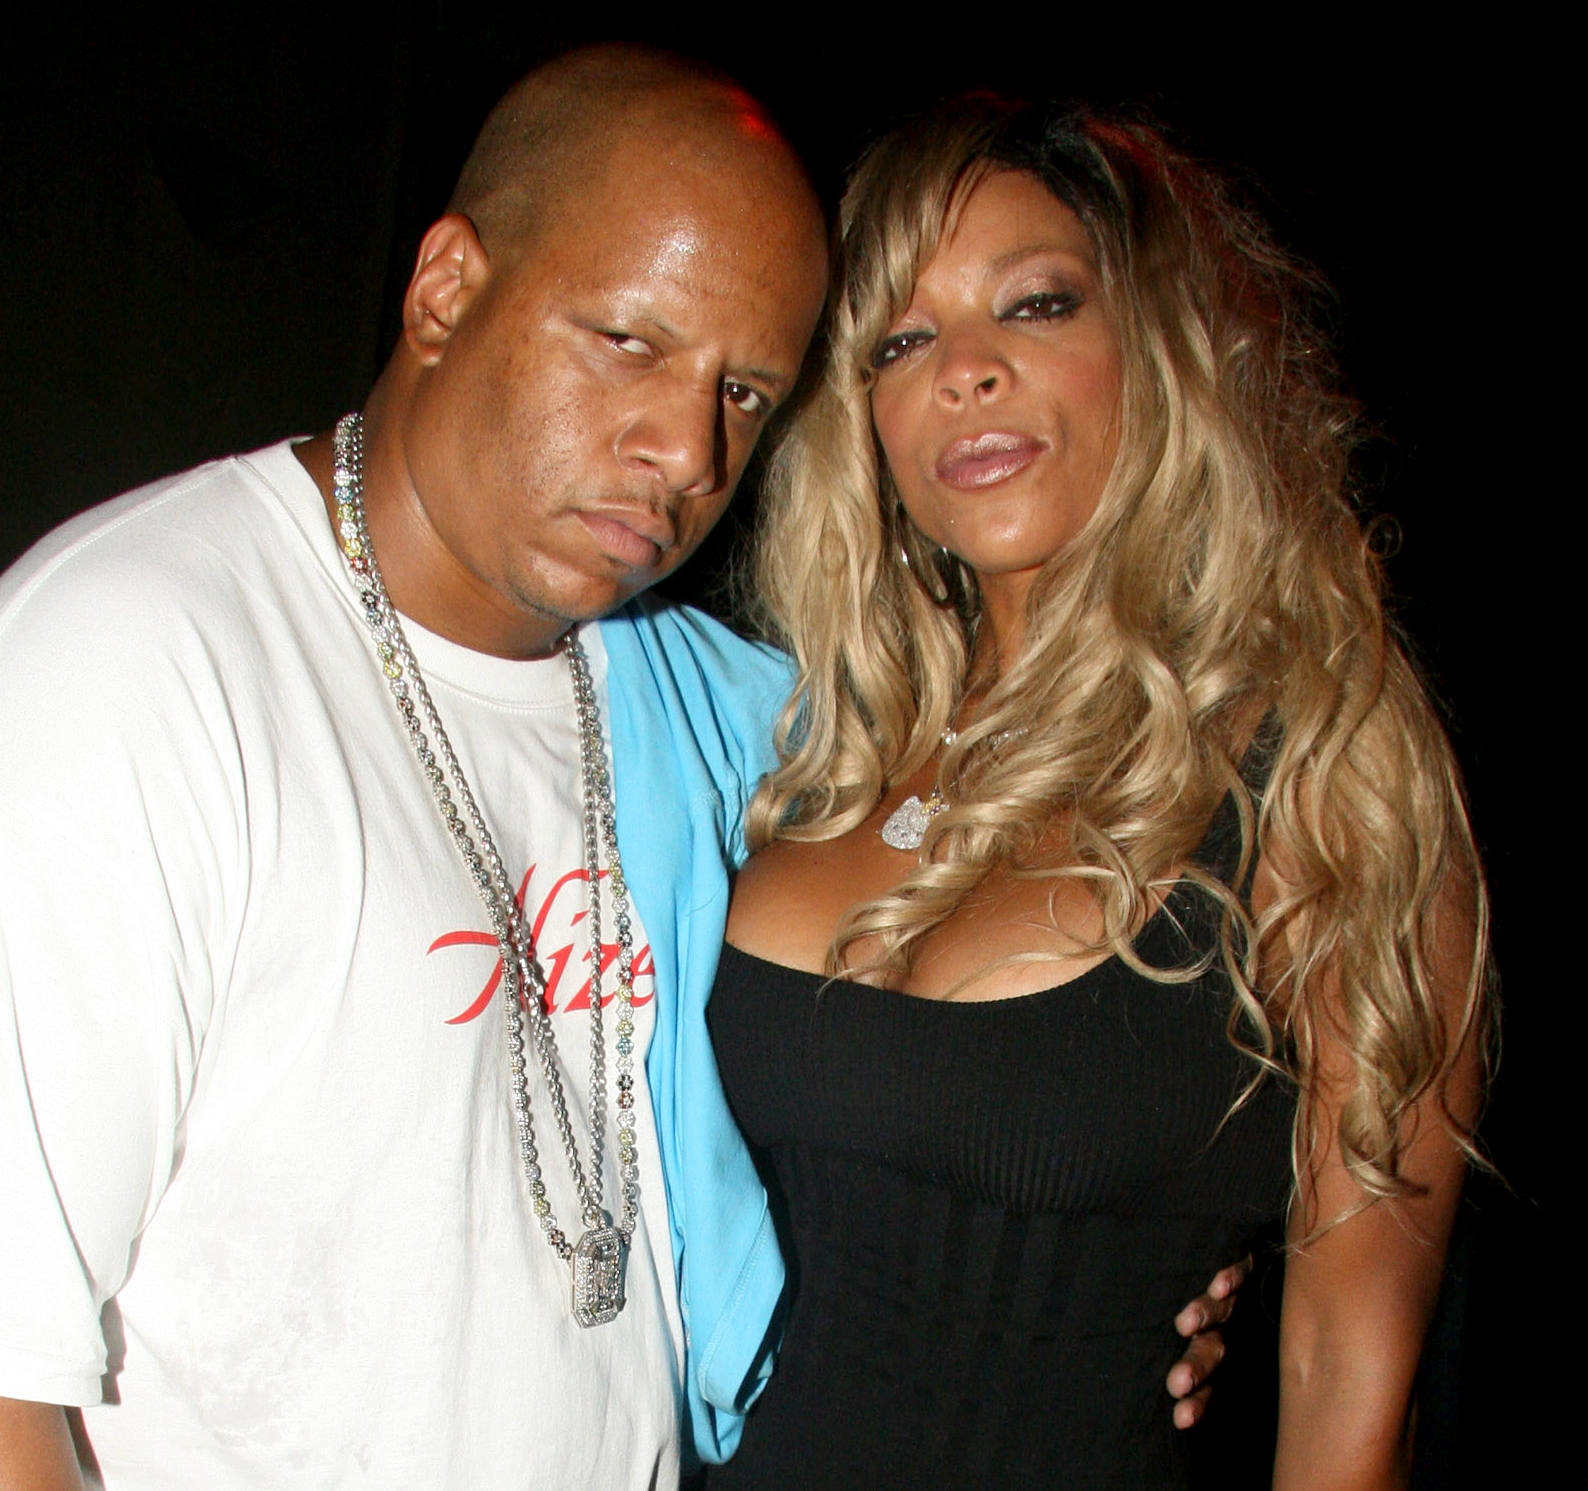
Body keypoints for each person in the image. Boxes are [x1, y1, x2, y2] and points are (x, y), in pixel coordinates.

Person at [0, 48, 1235, 1491]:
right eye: (630, 342)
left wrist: (1131, 1255)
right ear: (446, 291)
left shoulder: (722, 716)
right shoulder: (136, 661)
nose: (684, 451)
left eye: (746, 393)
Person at [709, 96, 1490, 1488]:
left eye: (1036, 303)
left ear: (1164, 349)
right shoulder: (817, 743)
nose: (965, 371)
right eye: (902, 340)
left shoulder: (1320, 765)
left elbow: (1346, 1391)